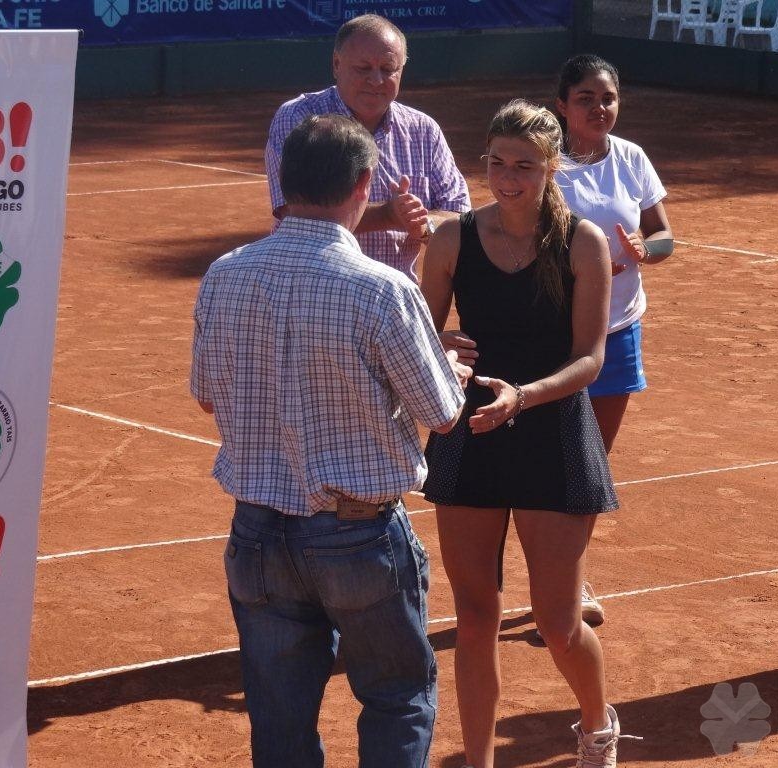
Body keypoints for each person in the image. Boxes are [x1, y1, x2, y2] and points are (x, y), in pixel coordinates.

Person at [192, 113, 470, 768]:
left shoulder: (225, 274)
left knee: (279, 715)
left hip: (256, 533)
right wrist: (448, 368)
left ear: (284, 183)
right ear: (364, 185)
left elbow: (206, 394)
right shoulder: (384, 289)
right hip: (358, 536)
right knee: (398, 696)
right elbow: (442, 412)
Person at [421, 99, 633, 768]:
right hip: (472, 434)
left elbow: (590, 358)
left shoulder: (583, 243)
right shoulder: (451, 239)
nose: (508, 179)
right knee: (474, 617)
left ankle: (597, 724)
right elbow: (422, 337)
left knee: (558, 624)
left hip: (553, 437)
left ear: (550, 170)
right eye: (497, 164)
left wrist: (524, 398)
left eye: (524, 167)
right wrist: (438, 346)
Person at [554, 53, 675, 626]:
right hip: (553, 334)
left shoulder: (631, 158)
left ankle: (570, 580)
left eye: (608, 98)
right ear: (562, 105)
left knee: (591, 463)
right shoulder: (543, 163)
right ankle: (545, 570)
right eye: (586, 98)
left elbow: (664, 234)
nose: (599, 108)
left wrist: (647, 250)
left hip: (619, 329)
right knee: (549, 457)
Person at [264, 14, 470, 281]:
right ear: (336, 64)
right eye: (363, 68)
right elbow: (295, 213)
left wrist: (422, 222)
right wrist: (389, 215)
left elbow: (459, 215)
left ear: (402, 70)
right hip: (309, 286)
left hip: (392, 292)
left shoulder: (424, 129)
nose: (376, 80)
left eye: (388, 69)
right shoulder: (299, 117)